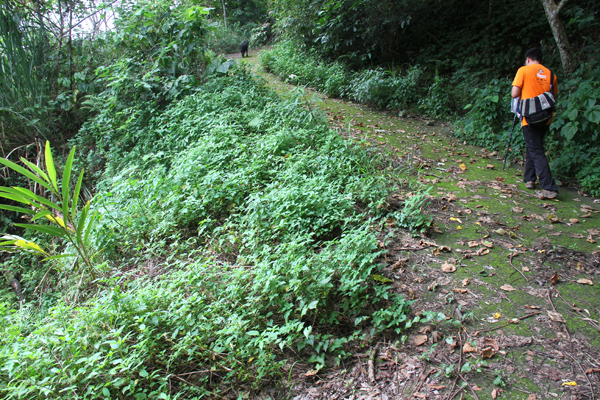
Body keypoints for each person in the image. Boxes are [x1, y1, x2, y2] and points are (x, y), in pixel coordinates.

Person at [511, 47, 559, 200]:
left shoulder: (523, 70)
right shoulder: (551, 74)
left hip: (530, 118)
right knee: (535, 146)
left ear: (527, 59)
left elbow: (514, 93)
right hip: (545, 117)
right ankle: (530, 179)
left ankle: (549, 188)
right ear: (541, 61)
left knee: (536, 150)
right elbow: (553, 94)